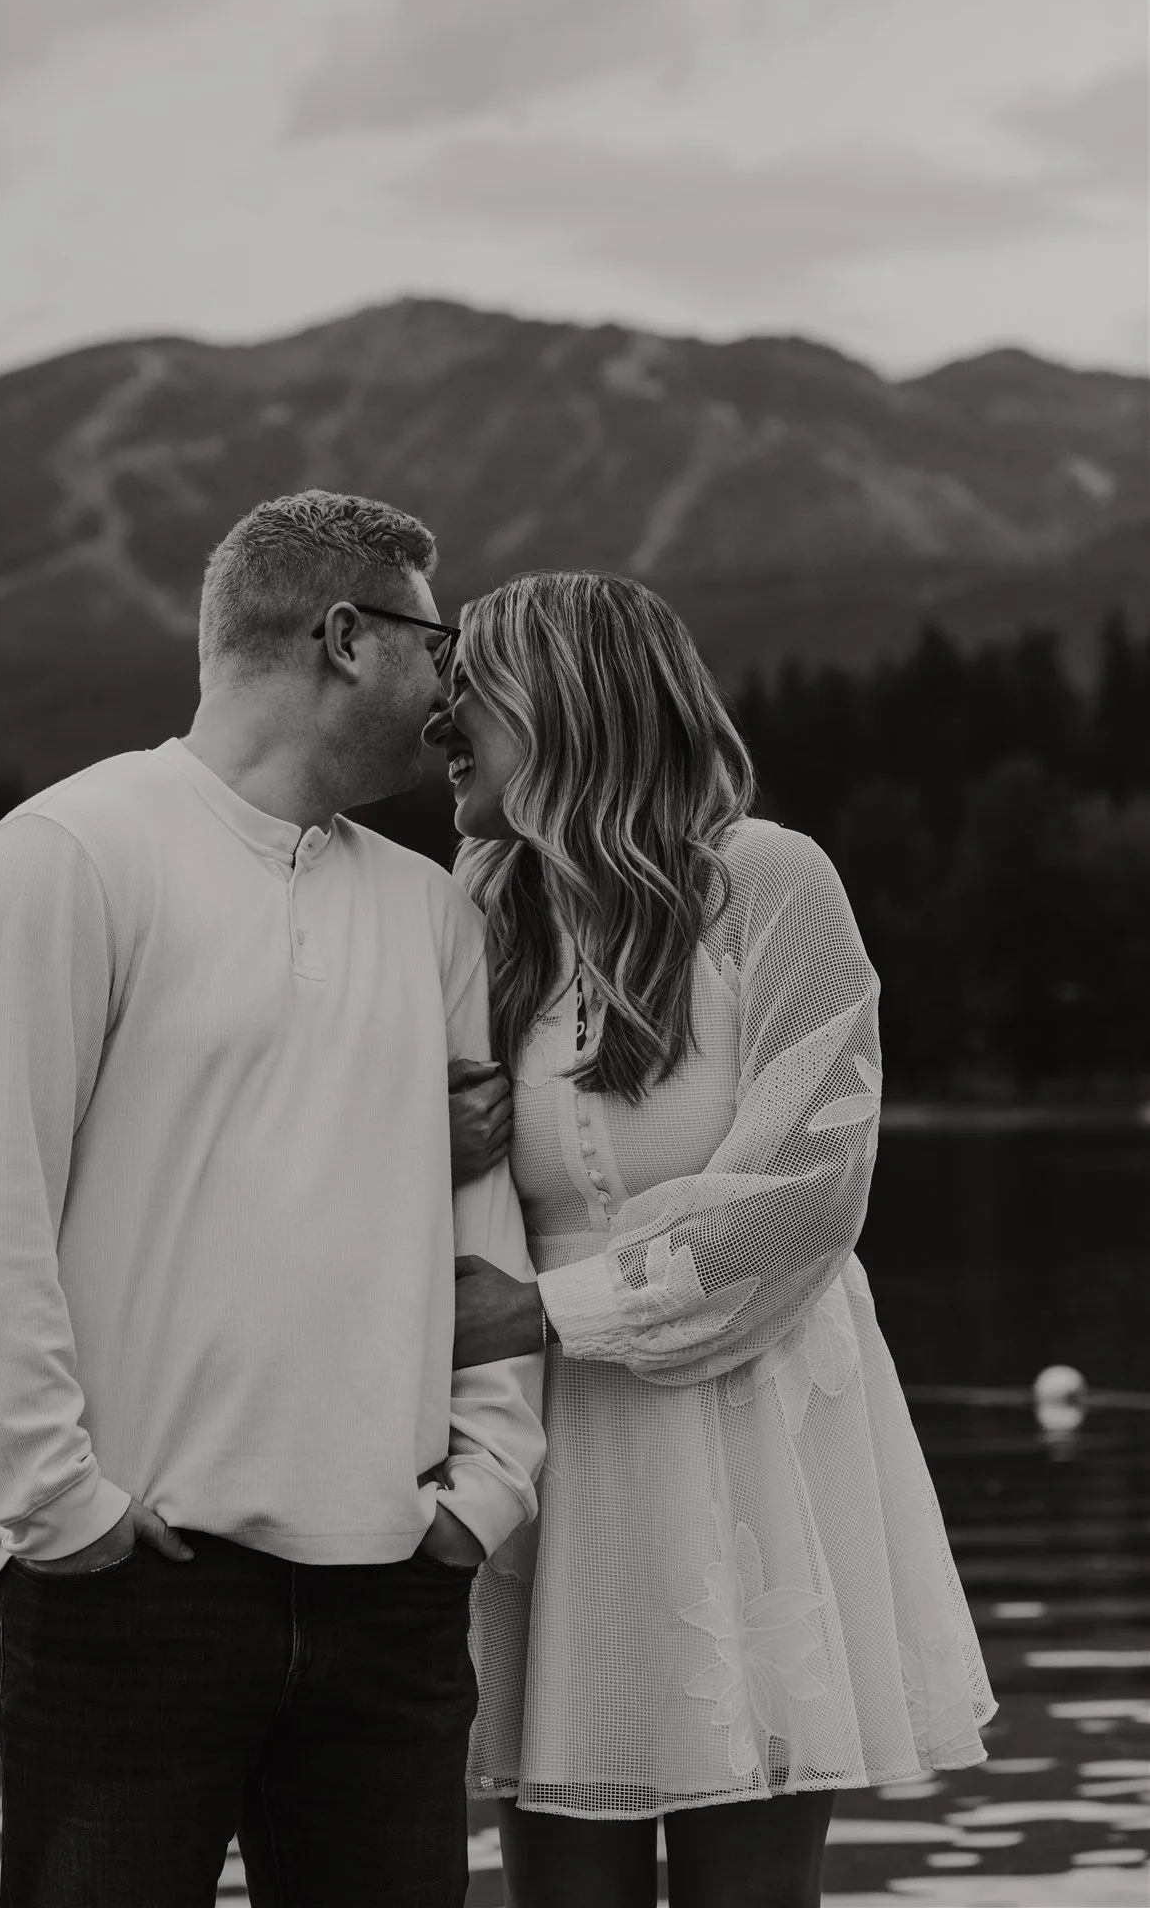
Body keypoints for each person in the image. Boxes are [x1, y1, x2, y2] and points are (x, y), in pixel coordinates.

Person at [0, 490, 547, 1908]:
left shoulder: (430, 907)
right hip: (126, 1590)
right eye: (438, 647)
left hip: (392, 1588)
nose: (454, 698)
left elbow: (478, 1216)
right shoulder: (67, 857)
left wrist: (487, 1487)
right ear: (344, 637)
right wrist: (61, 1507)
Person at [427, 571, 996, 1908]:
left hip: (743, 1460)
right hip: (549, 1467)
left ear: (568, 706)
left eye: (474, 689)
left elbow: (803, 1203)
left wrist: (542, 1307)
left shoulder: (765, 883)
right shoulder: (480, 910)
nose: (440, 716)